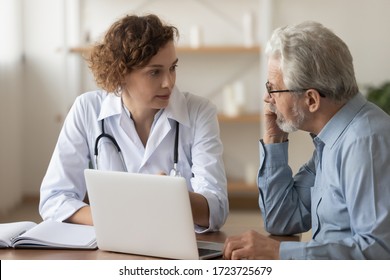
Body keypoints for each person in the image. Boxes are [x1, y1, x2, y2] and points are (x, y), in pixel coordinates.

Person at [39, 14, 228, 233]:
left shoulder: (199, 112)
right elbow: (54, 199)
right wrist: (116, 218)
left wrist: (175, 198)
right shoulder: (86, 109)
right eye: (155, 72)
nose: (169, 83)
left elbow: (217, 208)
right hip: (111, 244)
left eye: (172, 68)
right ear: (120, 73)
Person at [223, 21, 390, 259]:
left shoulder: (366, 142)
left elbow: (378, 253)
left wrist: (279, 253)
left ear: (311, 99)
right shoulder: (330, 139)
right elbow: (283, 219)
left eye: (274, 89)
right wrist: (274, 138)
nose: (267, 98)